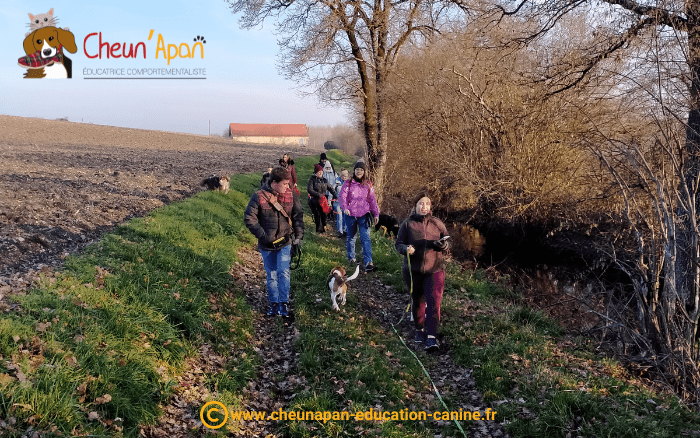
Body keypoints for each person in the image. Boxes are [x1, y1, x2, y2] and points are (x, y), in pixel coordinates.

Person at [244, 167, 304, 317]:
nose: (287, 186)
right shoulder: (258, 196)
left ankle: (284, 303)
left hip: (285, 241)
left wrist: (298, 236)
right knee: (271, 274)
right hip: (267, 244)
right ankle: (274, 304)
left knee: (283, 272)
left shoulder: (291, 195)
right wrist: (263, 236)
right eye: (284, 183)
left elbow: (297, 215)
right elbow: (249, 218)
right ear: (274, 182)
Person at [395, 193, 449, 351]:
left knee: (434, 301)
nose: (424, 207)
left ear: (430, 206)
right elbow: (398, 244)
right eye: (421, 204)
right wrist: (406, 249)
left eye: (427, 204)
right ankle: (419, 330)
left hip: (435, 269)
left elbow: (448, 242)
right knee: (418, 300)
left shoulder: (437, 223)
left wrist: (444, 246)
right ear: (415, 206)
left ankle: (432, 337)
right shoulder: (407, 224)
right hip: (413, 270)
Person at [339, 161, 379, 273]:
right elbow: (342, 197)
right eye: (357, 169)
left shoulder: (368, 184)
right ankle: (351, 257)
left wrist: (376, 213)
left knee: (365, 238)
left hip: (364, 215)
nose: (359, 171)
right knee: (351, 237)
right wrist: (345, 207)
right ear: (354, 170)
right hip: (350, 215)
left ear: (364, 171)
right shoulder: (348, 183)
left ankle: (368, 262)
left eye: (361, 170)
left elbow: (372, 200)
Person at [307, 163, 337, 233]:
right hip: (314, 200)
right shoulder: (312, 180)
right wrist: (319, 195)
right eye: (318, 172)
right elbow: (310, 190)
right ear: (316, 172)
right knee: (317, 214)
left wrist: (335, 195)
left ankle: (323, 225)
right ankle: (319, 230)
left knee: (323, 214)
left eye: (321, 172)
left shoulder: (324, 180)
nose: (320, 173)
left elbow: (330, 188)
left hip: (323, 200)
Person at [333, 168, 349, 237]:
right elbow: (332, 192)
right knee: (339, 216)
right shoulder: (336, 183)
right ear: (340, 176)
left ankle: (345, 230)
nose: (344, 177)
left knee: (345, 216)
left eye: (345, 176)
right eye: (343, 176)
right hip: (337, 202)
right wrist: (329, 201)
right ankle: (340, 231)